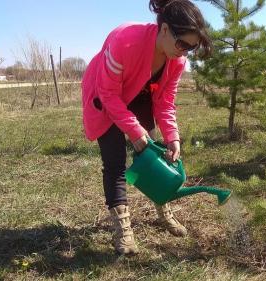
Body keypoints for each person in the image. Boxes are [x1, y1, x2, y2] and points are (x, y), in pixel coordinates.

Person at [81, 0, 212, 255]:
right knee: (115, 162)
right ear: (163, 29)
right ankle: (123, 230)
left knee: (153, 157)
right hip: (105, 96)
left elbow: (165, 101)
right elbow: (108, 93)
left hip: (140, 94)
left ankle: (163, 209)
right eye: (182, 44)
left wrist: (172, 136)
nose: (185, 52)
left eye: (191, 48)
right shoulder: (125, 39)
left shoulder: (177, 61)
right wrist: (133, 130)